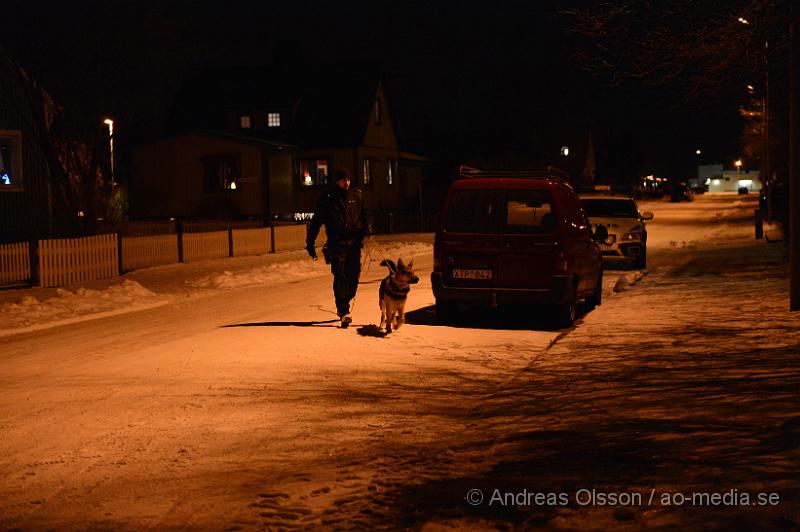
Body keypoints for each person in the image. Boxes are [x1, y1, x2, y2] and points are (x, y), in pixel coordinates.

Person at [306, 169, 368, 328]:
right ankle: (344, 311)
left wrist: (367, 230)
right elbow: (316, 222)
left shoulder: (357, 195)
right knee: (340, 275)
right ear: (336, 182)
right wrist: (310, 243)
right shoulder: (328, 199)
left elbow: (365, 216)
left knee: (353, 277)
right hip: (337, 242)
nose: (346, 183)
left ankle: (345, 300)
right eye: (342, 181)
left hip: (354, 242)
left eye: (348, 180)